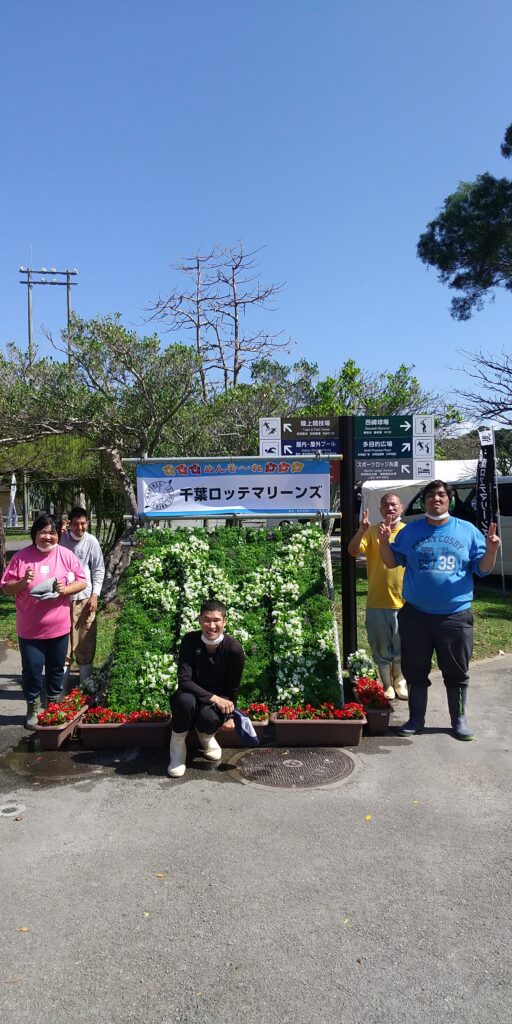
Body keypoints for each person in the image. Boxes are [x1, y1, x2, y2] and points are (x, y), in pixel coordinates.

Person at [378, 480, 501, 740]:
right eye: (431, 495)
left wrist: (491, 550)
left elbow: (483, 568)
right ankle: (415, 718)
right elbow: (391, 563)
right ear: (424, 501)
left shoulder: (467, 531)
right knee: (414, 670)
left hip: (455, 616)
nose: (436, 499)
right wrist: (383, 542)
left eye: (442, 495)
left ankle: (459, 721)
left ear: (450, 500)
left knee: (456, 672)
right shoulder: (410, 532)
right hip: (416, 615)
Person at [0, 513, 87, 728]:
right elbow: (6, 589)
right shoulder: (21, 557)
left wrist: (65, 589)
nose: (47, 537)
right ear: (34, 534)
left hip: (58, 627)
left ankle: (53, 708)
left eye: (52, 532)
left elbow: (82, 581)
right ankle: (32, 708)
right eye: (43, 532)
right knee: (32, 669)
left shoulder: (66, 555)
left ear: (58, 534)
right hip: (30, 629)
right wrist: (23, 582)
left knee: (57, 669)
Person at [168, 599, 245, 778]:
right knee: (185, 701)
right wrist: (215, 698)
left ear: (224, 621)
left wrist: (229, 715)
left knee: (208, 718)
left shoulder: (234, 649)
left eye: (216, 620)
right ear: (199, 620)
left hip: (212, 703)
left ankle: (206, 737)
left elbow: (233, 686)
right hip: (190, 695)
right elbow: (184, 681)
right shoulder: (189, 640)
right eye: (206, 620)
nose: (211, 625)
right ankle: (177, 747)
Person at [348, 493, 408, 699]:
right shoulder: (372, 531)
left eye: (394, 504)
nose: (390, 508)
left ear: (401, 507)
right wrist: (361, 530)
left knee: (402, 643)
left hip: (404, 601)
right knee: (380, 644)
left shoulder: (408, 532)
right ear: (380, 510)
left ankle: (400, 680)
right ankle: (387, 683)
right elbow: (353, 551)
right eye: (385, 505)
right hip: (377, 600)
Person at [59, 506, 105, 686]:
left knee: (85, 641)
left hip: (84, 598)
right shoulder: (61, 539)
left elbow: (98, 569)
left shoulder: (91, 541)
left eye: (83, 523)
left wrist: (95, 595)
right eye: (76, 524)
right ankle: (60, 695)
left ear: (88, 523)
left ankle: (86, 689)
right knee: (64, 645)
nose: (80, 527)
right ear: (69, 524)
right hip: (61, 599)